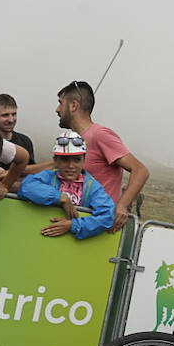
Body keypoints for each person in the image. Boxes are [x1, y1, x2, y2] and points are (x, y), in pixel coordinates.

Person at [17, 133, 116, 346]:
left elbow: (107, 215)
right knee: (39, 309)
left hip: (73, 265)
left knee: (62, 314)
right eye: (65, 160)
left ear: (84, 159)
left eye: (76, 159)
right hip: (42, 260)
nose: (71, 166)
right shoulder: (48, 178)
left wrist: (73, 225)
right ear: (56, 160)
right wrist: (60, 199)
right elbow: (26, 187)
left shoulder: (92, 185)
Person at [56, 80, 149, 232]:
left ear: (74, 105)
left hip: (99, 228)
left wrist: (122, 206)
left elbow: (140, 170)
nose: (57, 109)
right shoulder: (74, 140)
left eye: (60, 103)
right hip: (77, 224)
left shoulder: (100, 135)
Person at [0, 92, 35, 166]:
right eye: (5, 115)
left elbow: (31, 171)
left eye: (14, 114)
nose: (11, 120)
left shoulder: (25, 141)